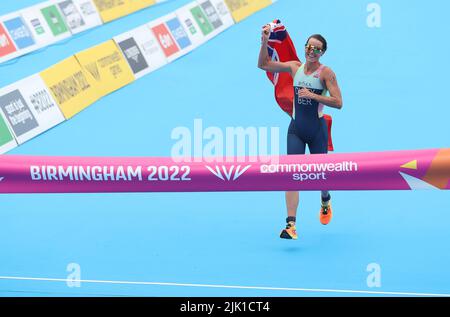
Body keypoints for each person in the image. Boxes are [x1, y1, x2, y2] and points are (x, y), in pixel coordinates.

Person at [258, 25, 343, 240]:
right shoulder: (294, 67)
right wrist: (264, 41)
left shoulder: (326, 73)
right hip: (296, 129)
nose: (311, 51)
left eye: (317, 49)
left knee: (320, 176)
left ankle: (325, 200)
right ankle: (291, 225)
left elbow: (339, 102)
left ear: (322, 53)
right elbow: (263, 65)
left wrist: (314, 96)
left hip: (317, 131)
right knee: (290, 175)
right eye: (309, 47)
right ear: (305, 48)